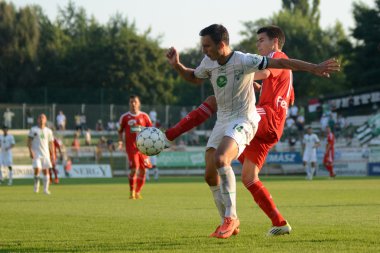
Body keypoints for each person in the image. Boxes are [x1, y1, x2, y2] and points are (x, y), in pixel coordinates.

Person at [165, 24, 339, 238]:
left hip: (267, 116)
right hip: (272, 123)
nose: (258, 45)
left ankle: (170, 135)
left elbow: (267, 71)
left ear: (274, 41)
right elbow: (288, 96)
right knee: (249, 177)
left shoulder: (276, 55)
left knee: (214, 103)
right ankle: (279, 222)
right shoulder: (223, 62)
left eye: (261, 41)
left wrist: (242, 78)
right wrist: (248, 85)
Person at [118, 95, 153, 200]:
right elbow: (120, 131)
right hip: (131, 148)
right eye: (131, 102)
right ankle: (131, 191)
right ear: (129, 104)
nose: (133, 104)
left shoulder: (144, 116)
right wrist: (120, 142)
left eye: (135, 102)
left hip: (143, 148)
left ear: (139, 103)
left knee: (143, 171)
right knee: (134, 169)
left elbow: (151, 131)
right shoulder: (124, 117)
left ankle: (137, 192)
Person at [27, 114, 54, 194]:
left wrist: (52, 153)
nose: (41, 119)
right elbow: (29, 141)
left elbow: (51, 143)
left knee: (46, 171)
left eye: (43, 118)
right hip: (36, 154)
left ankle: (45, 190)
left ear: (46, 120)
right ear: (37, 120)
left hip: (45, 154)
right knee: (37, 169)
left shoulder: (49, 131)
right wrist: (30, 151)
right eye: (40, 118)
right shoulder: (33, 130)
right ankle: (36, 185)